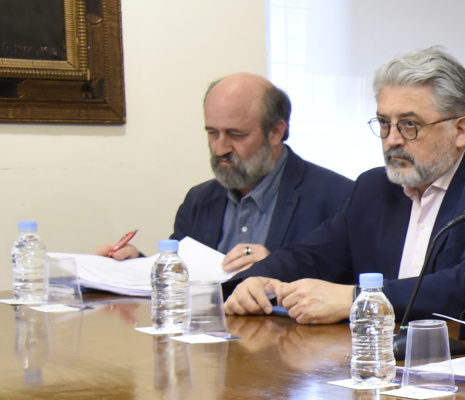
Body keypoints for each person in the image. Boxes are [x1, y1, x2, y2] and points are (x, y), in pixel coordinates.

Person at [225, 47, 465, 325]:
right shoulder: (374, 187)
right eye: (384, 123)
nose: (392, 140)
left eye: (409, 125)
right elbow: (313, 255)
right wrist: (256, 280)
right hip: (373, 356)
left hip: (457, 360)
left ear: (460, 130)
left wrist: (357, 300)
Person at [95, 73, 353, 273]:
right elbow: (185, 275)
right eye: (212, 133)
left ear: (275, 132)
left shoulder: (336, 198)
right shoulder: (199, 200)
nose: (220, 148)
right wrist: (134, 265)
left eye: (235, 135)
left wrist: (277, 268)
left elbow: (351, 286)